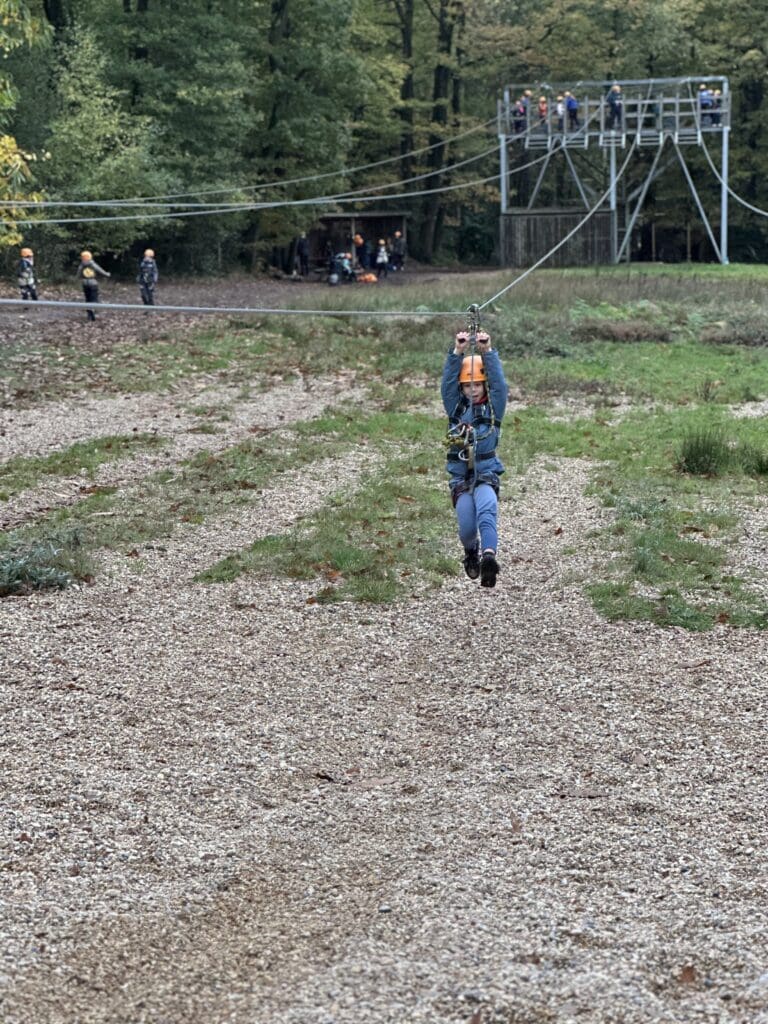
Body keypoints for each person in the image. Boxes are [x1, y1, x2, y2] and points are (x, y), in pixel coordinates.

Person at [441, 329, 507, 589]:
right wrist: (458, 351)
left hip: (486, 474)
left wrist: (487, 351)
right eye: (468, 385)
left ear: (484, 385)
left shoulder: (493, 410)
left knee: (487, 511)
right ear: (462, 387)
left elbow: (499, 385)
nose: (472, 390)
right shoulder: (455, 409)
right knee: (467, 527)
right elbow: (447, 384)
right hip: (461, 478)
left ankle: (489, 558)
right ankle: (471, 551)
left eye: (477, 385)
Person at [77, 250, 110, 321]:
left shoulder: (81, 265)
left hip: (85, 283)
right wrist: (107, 274)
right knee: (94, 298)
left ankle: (89, 314)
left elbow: (78, 274)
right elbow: (100, 270)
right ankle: (93, 311)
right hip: (93, 283)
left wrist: (78, 278)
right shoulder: (92, 264)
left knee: (88, 299)